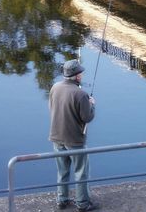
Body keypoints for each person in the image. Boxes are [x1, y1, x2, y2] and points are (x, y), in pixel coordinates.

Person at [49, 59, 97, 211]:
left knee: (62, 170)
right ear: (76, 76)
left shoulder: (55, 87)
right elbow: (87, 117)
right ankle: (82, 203)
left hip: (56, 136)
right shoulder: (81, 94)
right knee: (81, 172)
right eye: (80, 73)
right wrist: (92, 105)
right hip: (75, 140)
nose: (82, 75)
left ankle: (62, 200)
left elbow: (51, 107)